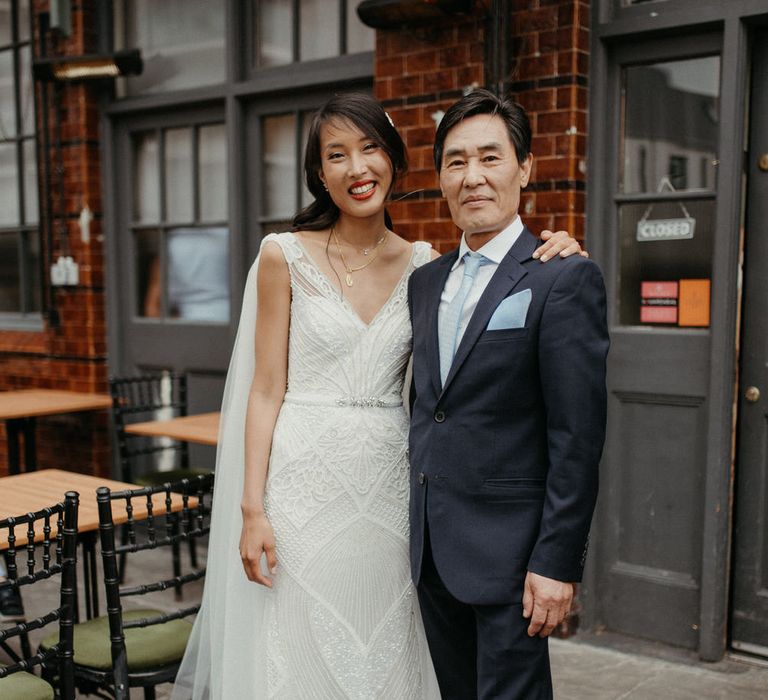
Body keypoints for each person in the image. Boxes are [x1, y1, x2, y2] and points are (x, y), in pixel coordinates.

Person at [171, 93, 582, 699]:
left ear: (393, 160)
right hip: (301, 490)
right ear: (319, 173)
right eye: (336, 155)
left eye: (369, 149)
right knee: (298, 647)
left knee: (385, 648)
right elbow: (263, 390)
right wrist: (252, 509)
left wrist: (556, 253)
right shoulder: (282, 255)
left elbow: (482, 331)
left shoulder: (426, 268)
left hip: (393, 495)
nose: (355, 168)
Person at [408, 89, 609, 699]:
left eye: (490, 158)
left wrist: (556, 562)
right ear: (441, 176)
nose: (473, 177)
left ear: (524, 167)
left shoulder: (563, 276)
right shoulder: (424, 281)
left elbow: (576, 438)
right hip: (431, 551)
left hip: (513, 559)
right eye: (456, 161)